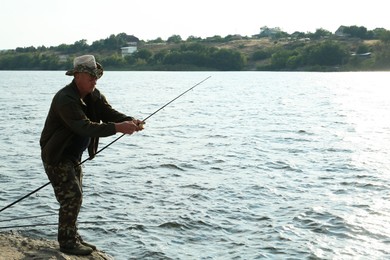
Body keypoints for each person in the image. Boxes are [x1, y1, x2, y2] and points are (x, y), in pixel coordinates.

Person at [40, 55, 144, 256]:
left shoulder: (94, 95)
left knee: (76, 196)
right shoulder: (65, 99)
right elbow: (83, 127)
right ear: (78, 76)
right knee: (72, 197)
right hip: (57, 156)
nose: (95, 80)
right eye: (91, 77)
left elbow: (109, 113)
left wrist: (130, 121)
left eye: (97, 77)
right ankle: (68, 243)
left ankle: (72, 236)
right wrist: (118, 128)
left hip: (73, 157)